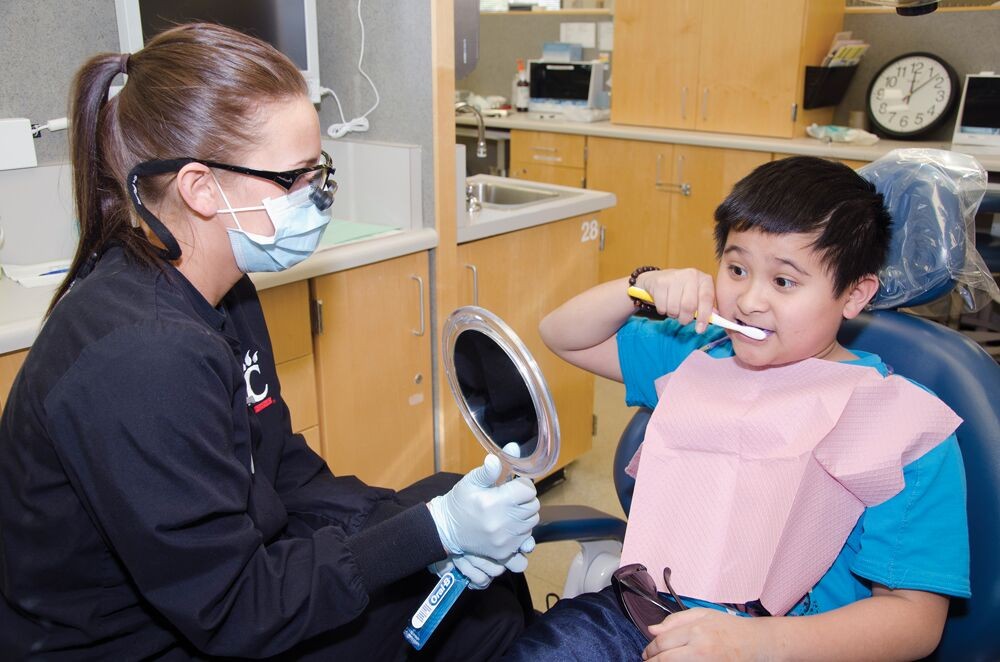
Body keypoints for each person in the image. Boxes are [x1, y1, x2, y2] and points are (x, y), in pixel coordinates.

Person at [0, 24, 539, 660]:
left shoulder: (222, 289)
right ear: (201, 188)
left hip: (220, 582)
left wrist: (420, 526)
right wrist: (436, 532)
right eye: (295, 178)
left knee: (447, 512)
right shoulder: (141, 356)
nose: (318, 196)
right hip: (142, 638)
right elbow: (235, 609)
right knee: (480, 622)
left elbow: (277, 459)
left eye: (321, 170)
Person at [504, 157, 969, 661]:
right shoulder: (695, 354)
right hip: (645, 619)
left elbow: (915, 621)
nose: (748, 300)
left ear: (854, 293)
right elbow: (561, 334)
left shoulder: (905, 427)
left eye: (784, 282)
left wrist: (753, 643)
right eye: (737, 268)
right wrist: (640, 287)